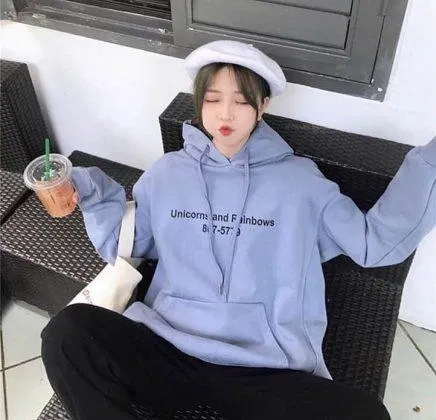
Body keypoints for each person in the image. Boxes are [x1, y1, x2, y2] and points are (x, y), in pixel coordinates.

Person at [41, 40, 436, 420]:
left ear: (263, 106)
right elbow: (123, 243)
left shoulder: (301, 183)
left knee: (365, 414)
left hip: (263, 369)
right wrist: (84, 187)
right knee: (66, 333)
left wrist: (429, 163)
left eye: (241, 101)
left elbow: (374, 244)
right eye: (212, 99)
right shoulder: (167, 174)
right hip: (168, 349)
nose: (225, 115)